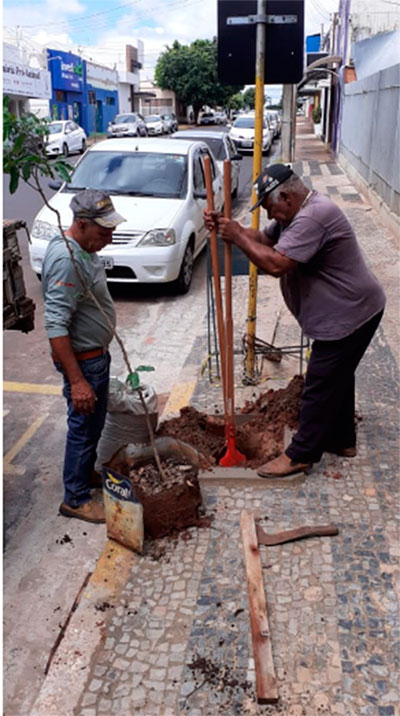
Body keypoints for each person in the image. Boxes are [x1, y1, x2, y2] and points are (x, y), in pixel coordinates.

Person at [204, 164, 386, 478]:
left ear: (286, 197)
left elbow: (276, 264)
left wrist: (238, 238)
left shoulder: (314, 216)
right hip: (348, 310)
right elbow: (261, 237)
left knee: (319, 382)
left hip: (351, 313)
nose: (270, 216)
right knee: (338, 376)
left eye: (270, 207)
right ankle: (343, 440)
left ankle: (302, 454)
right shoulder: (292, 215)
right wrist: (229, 226)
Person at [42, 189, 126, 522]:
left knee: (93, 425)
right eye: (103, 232)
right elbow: (56, 326)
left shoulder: (80, 249)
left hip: (94, 359)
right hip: (85, 363)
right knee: (83, 426)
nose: (109, 237)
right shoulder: (68, 258)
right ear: (80, 224)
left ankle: (84, 474)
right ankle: (74, 499)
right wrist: (77, 381)